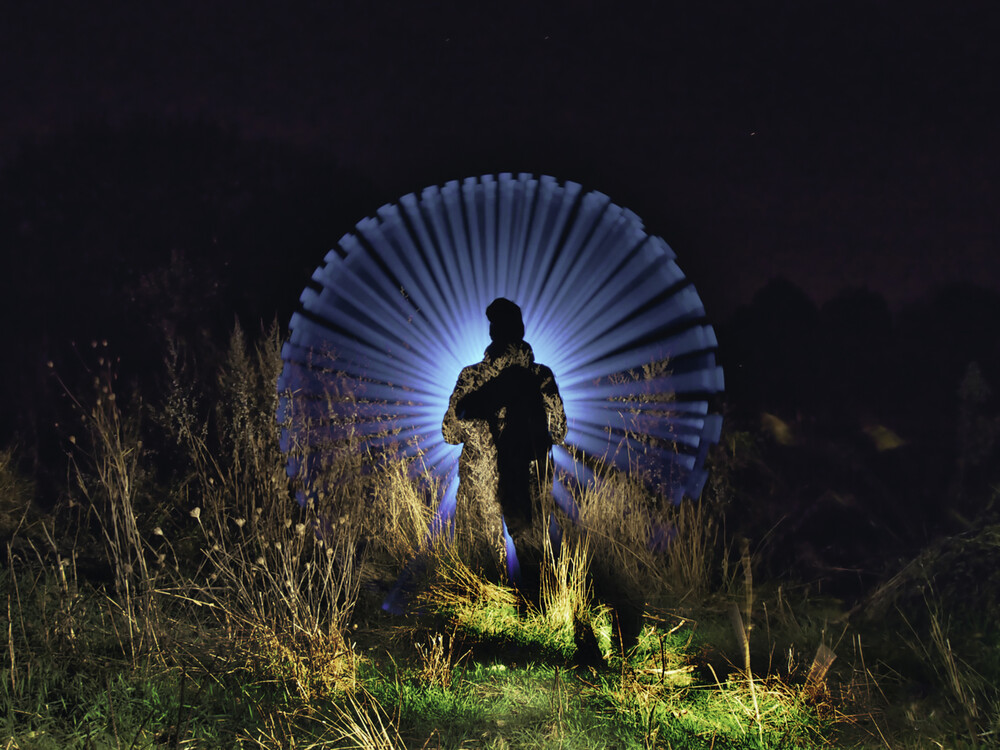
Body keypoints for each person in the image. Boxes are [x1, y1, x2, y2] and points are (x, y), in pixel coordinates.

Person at [443, 298, 567, 589]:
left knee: (479, 570)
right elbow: (559, 432)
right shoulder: (541, 376)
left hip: (480, 482)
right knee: (537, 559)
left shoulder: (471, 377)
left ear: (492, 333)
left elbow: (449, 433)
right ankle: (543, 614)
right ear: (521, 331)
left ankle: (486, 620)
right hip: (530, 480)